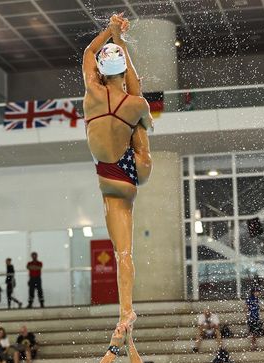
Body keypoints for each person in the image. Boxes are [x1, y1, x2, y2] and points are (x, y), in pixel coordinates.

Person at [82, 14, 153, 330]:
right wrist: (121, 41)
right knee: (139, 123)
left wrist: (109, 33)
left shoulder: (91, 94)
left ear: (99, 72)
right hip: (135, 170)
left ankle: (126, 311)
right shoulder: (135, 103)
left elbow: (87, 54)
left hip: (110, 177)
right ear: (122, 72)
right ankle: (126, 310)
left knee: (123, 252)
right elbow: (139, 98)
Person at [246, 286, 264, 351]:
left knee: (254, 333)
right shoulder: (250, 299)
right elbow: (246, 308)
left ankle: (254, 345)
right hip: (252, 317)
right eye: (257, 292)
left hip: (255, 317)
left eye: (258, 292)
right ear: (253, 292)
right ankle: (253, 346)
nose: (258, 293)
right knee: (253, 333)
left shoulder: (256, 299)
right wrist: (248, 317)